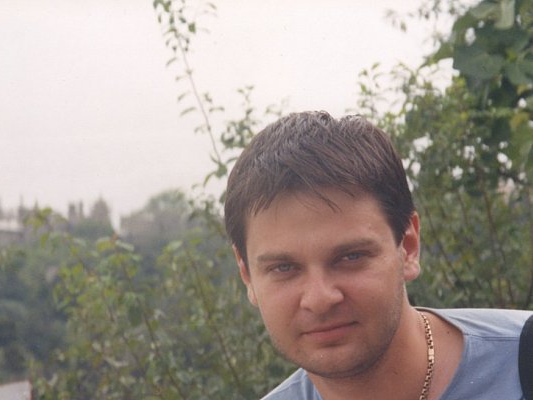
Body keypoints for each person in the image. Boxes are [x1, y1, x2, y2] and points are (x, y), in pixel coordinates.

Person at [223, 111, 532, 400]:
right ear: (247, 275)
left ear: (408, 246)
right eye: (283, 268)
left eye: (351, 257)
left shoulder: (521, 364)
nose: (319, 299)